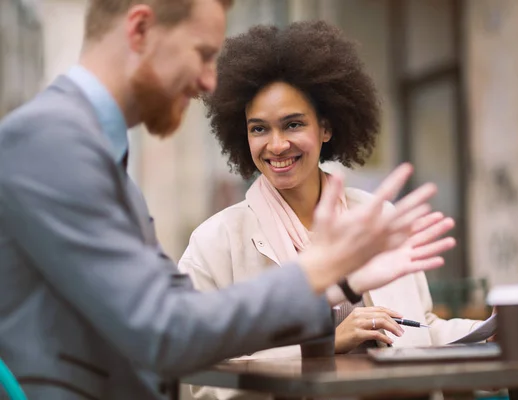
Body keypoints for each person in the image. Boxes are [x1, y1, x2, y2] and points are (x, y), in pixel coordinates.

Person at [0, 1, 451, 399]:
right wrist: (320, 276)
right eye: (203, 53)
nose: (209, 81)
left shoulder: (85, 147)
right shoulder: (51, 140)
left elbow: (171, 316)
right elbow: (167, 329)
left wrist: (337, 284)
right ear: (139, 29)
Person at [178, 20, 482, 399]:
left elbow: (420, 329)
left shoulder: (377, 217)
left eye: (292, 124)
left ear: (326, 127)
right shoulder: (215, 244)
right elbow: (202, 381)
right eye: (259, 129)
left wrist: (492, 333)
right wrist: (326, 344)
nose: (276, 145)